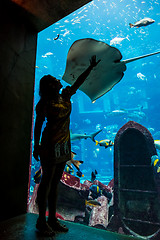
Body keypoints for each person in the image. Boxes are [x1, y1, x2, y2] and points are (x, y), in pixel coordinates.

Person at [33, 55, 100, 236]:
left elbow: (79, 82)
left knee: (55, 184)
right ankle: (41, 220)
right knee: (46, 182)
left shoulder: (66, 95)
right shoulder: (44, 103)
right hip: (49, 144)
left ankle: (52, 220)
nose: (58, 79)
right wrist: (36, 145)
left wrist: (90, 67)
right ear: (50, 86)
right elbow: (38, 125)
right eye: (55, 80)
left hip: (64, 145)